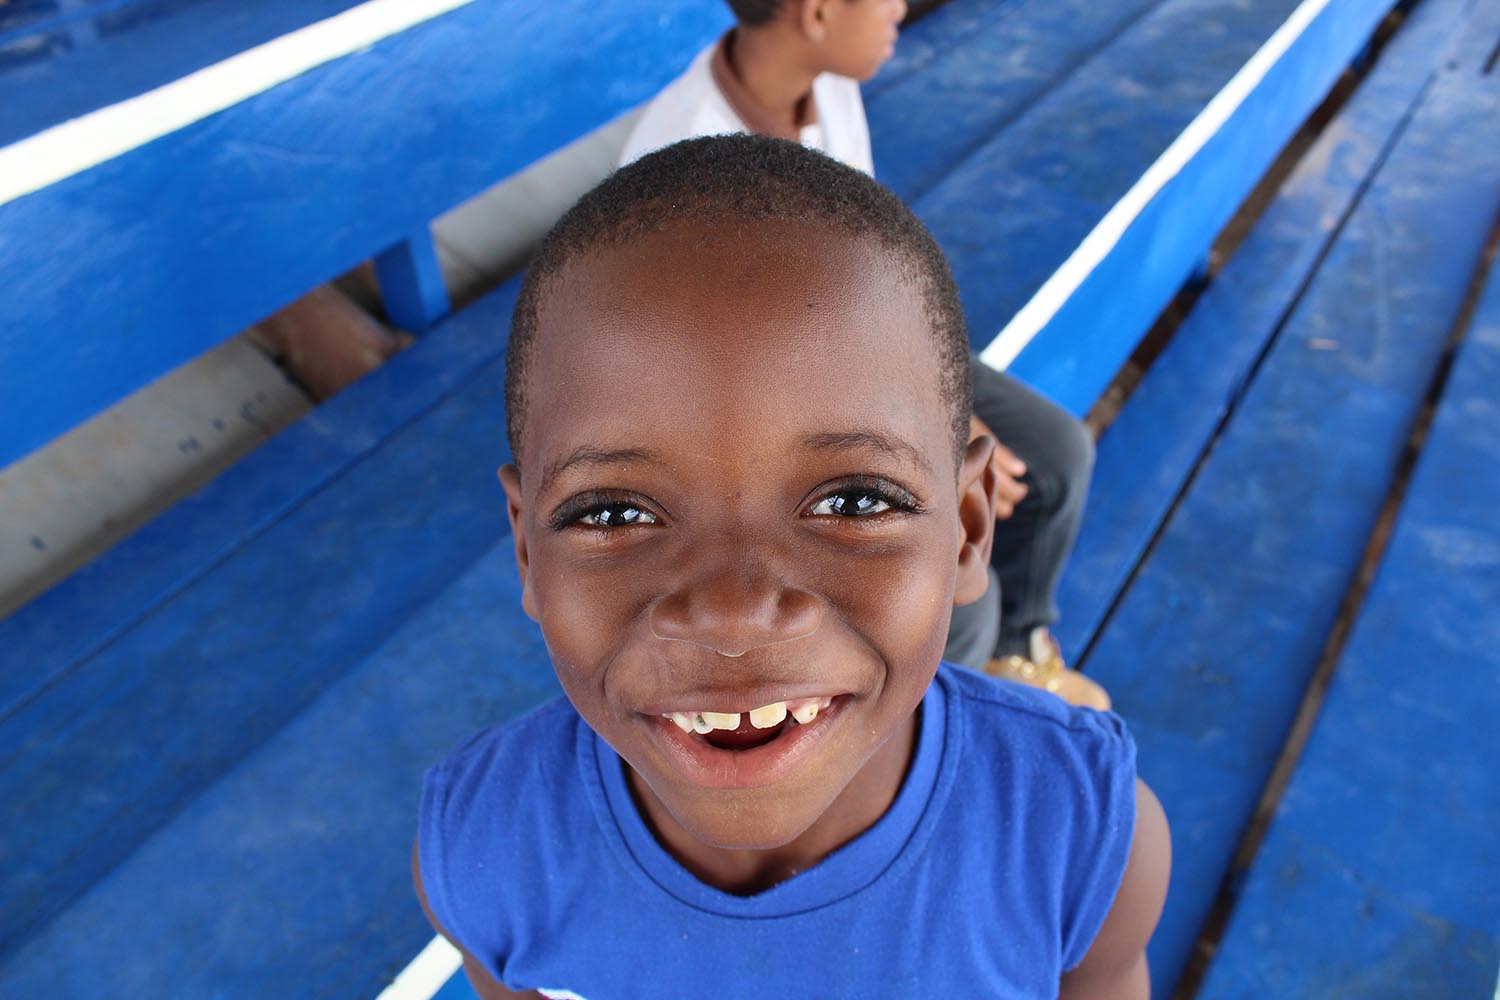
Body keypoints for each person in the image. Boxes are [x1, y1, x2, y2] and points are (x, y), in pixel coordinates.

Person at [414, 135, 1169, 998]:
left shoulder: (1080, 840)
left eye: (852, 502)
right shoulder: (481, 854)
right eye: (614, 513)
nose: (734, 613)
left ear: (967, 527)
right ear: (526, 548)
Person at [619, 0, 1107, 708]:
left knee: (1058, 456)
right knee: (957, 583)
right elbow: (746, 379)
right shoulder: (679, 162)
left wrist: (940, 400)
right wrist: (937, 431)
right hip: (755, 421)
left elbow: (868, 268)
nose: (901, 9)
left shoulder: (827, 88)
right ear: (817, 12)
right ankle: (940, 720)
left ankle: (1015, 654)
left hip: (867, 351)